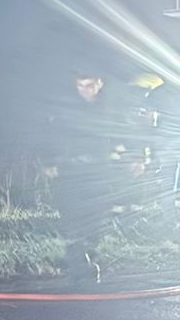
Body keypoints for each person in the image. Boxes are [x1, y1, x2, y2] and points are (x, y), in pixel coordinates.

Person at [46, 66, 152, 284]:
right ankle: (77, 264)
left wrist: (137, 158)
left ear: (100, 83)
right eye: (80, 86)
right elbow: (49, 134)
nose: (85, 91)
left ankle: (88, 256)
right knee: (73, 218)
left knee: (96, 220)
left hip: (99, 173)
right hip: (72, 172)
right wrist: (48, 161)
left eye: (90, 86)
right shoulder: (67, 107)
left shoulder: (113, 108)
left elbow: (129, 131)